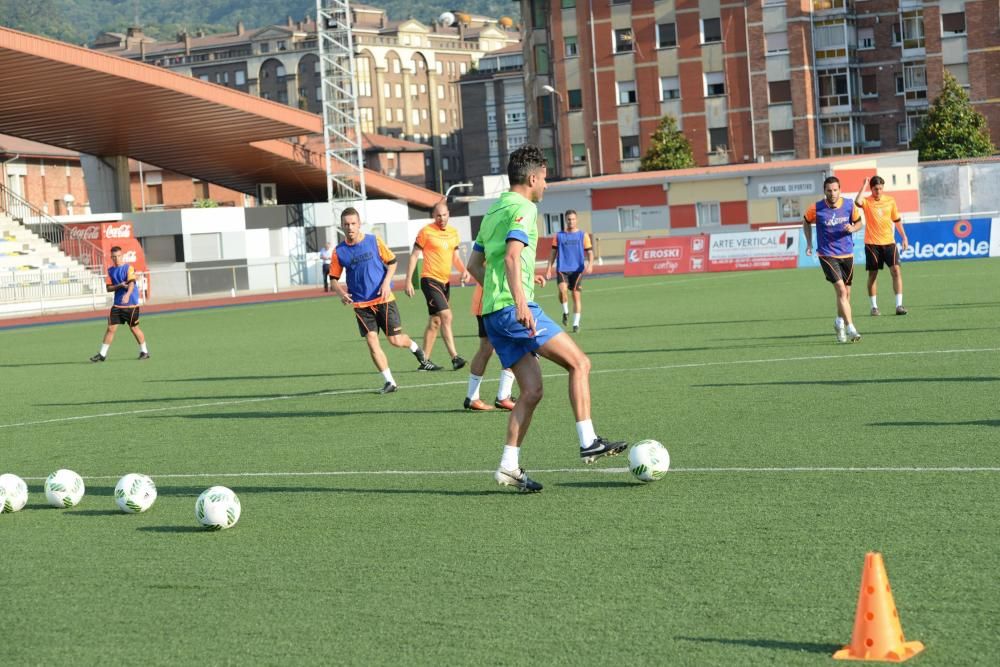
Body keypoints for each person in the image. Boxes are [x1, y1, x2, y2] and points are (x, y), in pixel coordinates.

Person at [467, 145, 626, 492]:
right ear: (533, 177)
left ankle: (508, 466)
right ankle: (588, 441)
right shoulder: (523, 208)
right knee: (580, 364)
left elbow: (473, 266)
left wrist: (501, 295)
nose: (547, 185)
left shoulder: (494, 210)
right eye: (545, 178)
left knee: (532, 390)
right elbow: (511, 258)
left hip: (494, 315)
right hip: (513, 311)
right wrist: (520, 302)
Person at [328, 207, 436, 393]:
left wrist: (386, 283)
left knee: (395, 340)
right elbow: (333, 280)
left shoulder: (373, 241)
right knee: (371, 340)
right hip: (361, 305)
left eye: (353, 223)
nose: (350, 227)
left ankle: (417, 351)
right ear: (342, 226)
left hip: (384, 299)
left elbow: (392, 263)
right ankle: (390, 382)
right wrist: (341, 293)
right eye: (346, 224)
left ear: (359, 224)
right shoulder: (339, 252)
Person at [404, 200, 470, 371]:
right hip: (429, 280)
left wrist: (464, 270)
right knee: (446, 316)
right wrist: (408, 280)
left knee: (436, 321)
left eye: (445, 215)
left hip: (445, 282)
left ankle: (424, 361)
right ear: (433, 216)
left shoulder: (454, 233)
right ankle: (455, 358)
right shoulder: (426, 232)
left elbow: (455, 257)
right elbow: (414, 256)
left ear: (449, 214)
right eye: (438, 215)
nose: (442, 218)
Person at [803, 176, 864, 344]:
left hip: (847, 253)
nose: (832, 193)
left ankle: (839, 322)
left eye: (835, 190)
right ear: (824, 191)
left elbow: (859, 223)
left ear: (840, 190)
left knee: (846, 293)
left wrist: (853, 227)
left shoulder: (849, 205)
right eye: (829, 190)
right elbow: (806, 221)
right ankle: (851, 328)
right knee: (841, 291)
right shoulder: (816, 208)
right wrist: (809, 243)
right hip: (827, 254)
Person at [855, 175, 909, 316]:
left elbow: (896, 220)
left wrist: (904, 237)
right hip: (872, 244)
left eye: (880, 188)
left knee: (896, 271)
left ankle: (899, 305)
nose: (878, 191)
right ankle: (874, 307)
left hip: (889, 243)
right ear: (871, 189)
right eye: (875, 189)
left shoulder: (890, 201)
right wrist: (864, 185)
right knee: (873, 275)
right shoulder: (867, 201)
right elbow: (857, 201)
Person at [463, 283, 518, 412]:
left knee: (486, 348)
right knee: (513, 345)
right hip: (496, 302)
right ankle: (504, 396)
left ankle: (473, 397)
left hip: (487, 301)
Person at [90, 246, 149, 362]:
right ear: (111, 257)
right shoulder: (110, 271)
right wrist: (120, 286)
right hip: (117, 304)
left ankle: (144, 351)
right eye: (114, 257)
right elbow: (109, 288)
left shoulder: (128, 268)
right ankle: (102, 354)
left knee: (134, 328)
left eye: (118, 256)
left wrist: (127, 294)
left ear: (122, 256)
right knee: (110, 328)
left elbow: (132, 283)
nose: (116, 259)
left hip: (131, 304)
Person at [545, 209, 593, 333]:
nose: (571, 221)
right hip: (562, 269)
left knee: (576, 297)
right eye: (568, 219)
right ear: (565, 220)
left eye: (573, 219)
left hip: (577, 270)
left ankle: (576, 323)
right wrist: (549, 269)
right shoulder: (559, 236)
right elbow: (553, 253)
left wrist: (591, 264)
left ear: (576, 220)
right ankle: (565, 312)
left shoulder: (583, 235)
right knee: (562, 291)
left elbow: (590, 252)